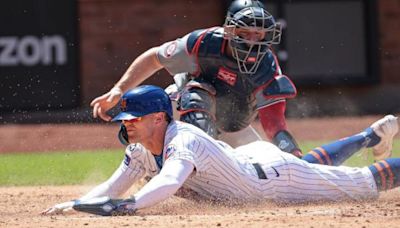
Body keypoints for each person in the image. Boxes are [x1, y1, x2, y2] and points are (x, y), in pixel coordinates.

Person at [42, 85, 399, 216]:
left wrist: (132, 207)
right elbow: (114, 185)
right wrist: (75, 204)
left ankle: (370, 137)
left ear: (157, 118)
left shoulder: (183, 140)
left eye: (134, 117)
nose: (127, 123)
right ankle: (369, 136)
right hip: (256, 163)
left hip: (277, 181)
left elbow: (170, 180)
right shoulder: (141, 149)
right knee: (316, 171)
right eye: (125, 118)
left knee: (365, 183)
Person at [90, 0, 303, 157]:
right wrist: (119, 89)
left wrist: (292, 153)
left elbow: (274, 124)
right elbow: (155, 58)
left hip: (232, 127)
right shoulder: (203, 43)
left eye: (259, 34)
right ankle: (148, 159)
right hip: (181, 110)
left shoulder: (267, 66)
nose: (253, 41)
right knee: (196, 96)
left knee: (263, 167)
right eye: (245, 32)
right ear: (229, 29)